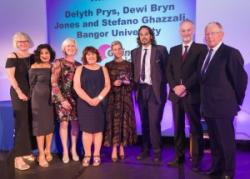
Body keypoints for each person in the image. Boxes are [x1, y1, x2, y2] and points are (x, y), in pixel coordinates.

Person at [199, 22, 247, 179]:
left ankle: (228, 172)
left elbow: (240, 81)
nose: (209, 36)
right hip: (208, 107)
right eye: (207, 34)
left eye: (213, 33)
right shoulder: (207, 54)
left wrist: (236, 102)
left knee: (226, 143)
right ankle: (217, 168)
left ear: (221, 34)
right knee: (214, 142)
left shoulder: (230, 53)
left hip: (223, 107)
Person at [166, 20, 206, 171]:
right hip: (176, 95)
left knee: (195, 129)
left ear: (194, 30)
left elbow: (199, 71)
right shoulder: (174, 49)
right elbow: (168, 71)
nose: (186, 33)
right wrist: (175, 87)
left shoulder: (201, 49)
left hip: (192, 95)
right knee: (178, 127)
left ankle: (196, 161)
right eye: (183, 30)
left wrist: (185, 86)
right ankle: (179, 157)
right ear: (179, 32)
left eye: (189, 30)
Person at [131, 25, 168, 162]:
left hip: (155, 92)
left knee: (154, 123)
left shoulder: (161, 50)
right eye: (141, 34)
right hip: (141, 91)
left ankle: (157, 152)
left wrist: (159, 84)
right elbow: (133, 72)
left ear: (151, 36)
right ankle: (145, 150)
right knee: (144, 123)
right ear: (139, 37)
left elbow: (167, 71)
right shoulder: (134, 52)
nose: (144, 36)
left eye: (146, 34)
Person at [74, 46, 110, 167]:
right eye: (88, 54)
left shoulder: (103, 69)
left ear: (97, 56)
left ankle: (97, 155)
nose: (91, 56)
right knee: (87, 131)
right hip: (84, 103)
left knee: (98, 130)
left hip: (100, 104)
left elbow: (107, 86)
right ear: (85, 56)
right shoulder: (80, 69)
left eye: (93, 54)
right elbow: (77, 87)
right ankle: (87, 154)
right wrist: (89, 100)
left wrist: (98, 99)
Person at [5, 32, 35, 170]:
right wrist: (19, 92)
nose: (22, 44)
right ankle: (18, 157)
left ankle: (27, 151)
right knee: (21, 123)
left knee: (30, 121)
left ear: (29, 42)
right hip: (19, 93)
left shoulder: (33, 57)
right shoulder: (12, 57)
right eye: (19, 42)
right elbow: (11, 78)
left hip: (32, 93)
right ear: (15, 43)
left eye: (25, 41)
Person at [104, 41, 137, 162]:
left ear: (122, 50)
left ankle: (122, 147)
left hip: (126, 98)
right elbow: (105, 84)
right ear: (111, 51)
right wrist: (113, 84)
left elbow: (134, 83)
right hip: (113, 98)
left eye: (119, 49)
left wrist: (128, 82)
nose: (117, 51)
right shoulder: (108, 66)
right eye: (115, 49)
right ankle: (113, 148)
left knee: (123, 122)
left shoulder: (129, 65)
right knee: (114, 123)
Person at [51, 38, 81, 163]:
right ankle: (65, 151)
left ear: (76, 48)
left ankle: (73, 149)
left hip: (76, 99)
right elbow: (53, 82)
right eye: (68, 46)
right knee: (64, 124)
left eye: (72, 46)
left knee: (75, 124)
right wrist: (62, 100)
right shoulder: (58, 62)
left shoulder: (79, 65)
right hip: (62, 98)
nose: (70, 48)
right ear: (64, 48)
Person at [29, 44, 55, 167]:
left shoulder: (54, 66)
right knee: (40, 127)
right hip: (38, 100)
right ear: (38, 55)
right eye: (42, 53)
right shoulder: (34, 66)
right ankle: (41, 154)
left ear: (51, 54)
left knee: (49, 125)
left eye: (47, 53)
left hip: (51, 100)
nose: (45, 55)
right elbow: (31, 84)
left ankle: (48, 150)